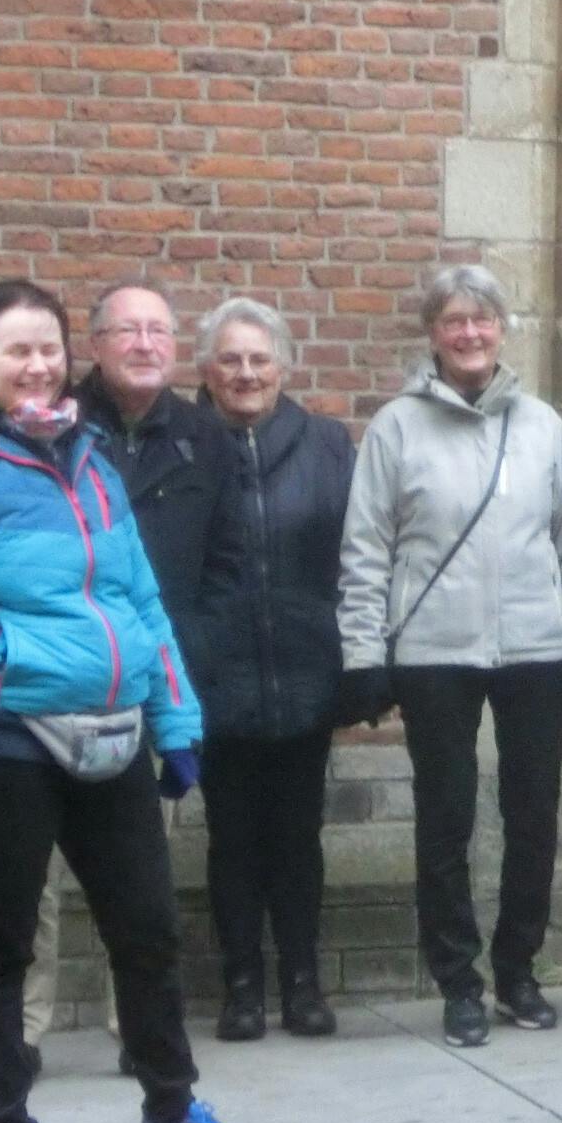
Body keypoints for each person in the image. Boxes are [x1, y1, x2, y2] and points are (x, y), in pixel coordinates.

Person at [0, 280, 269, 1123]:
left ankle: (170, 1118)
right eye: (16, 350)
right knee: (1, 948)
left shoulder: (87, 461)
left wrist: (177, 726)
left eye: (49, 349)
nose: (37, 365)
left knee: (148, 930)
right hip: (3, 742)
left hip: (112, 735)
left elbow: (139, 604)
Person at [336, 266, 562, 1048]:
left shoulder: (543, 426)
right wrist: (364, 652)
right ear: (433, 334)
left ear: (501, 329)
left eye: (481, 321)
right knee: (445, 818)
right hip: (434, 651)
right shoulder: (396, 427)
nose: (468, 335)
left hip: (534, 648)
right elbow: (367, 548)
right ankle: (457, 980)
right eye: (453, 322)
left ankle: (519, 968)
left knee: (532, 817)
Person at [24, 278, 246, 1065]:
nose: (145, 344)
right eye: (127, 331)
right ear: (95, 344)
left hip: (157, 683)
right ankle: (21, 1032)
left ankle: (140, 1032)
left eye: (159, 331)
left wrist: (185, 654)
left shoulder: (204, 437)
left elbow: (228, 564)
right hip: (49, 687)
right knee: (30, 881)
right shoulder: (53, 428)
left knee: (142, 880)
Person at [193, 298, 356, 1042]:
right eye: (231, 359)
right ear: (206, 370)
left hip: (303, 669)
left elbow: (359, 561)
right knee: (230, 838)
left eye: (260, 359)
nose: (246, 373)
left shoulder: (327, 446)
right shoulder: (185, 448)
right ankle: (241, 987)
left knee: (298, 835)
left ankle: (302, 981)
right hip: (218, 677)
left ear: (285, 367)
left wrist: (356, 662)